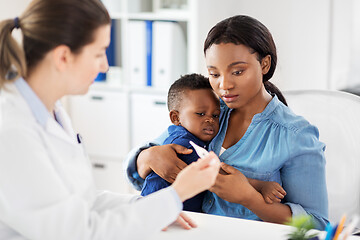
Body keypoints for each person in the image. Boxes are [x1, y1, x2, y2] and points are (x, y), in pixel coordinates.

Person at [0, 0, 221, 239]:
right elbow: (77, 232)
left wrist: (153, 209)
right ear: (63, 57)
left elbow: (83, 201)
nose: (105, 66)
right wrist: (177, 194)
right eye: (99, 53)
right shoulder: (12, 129)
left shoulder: (52, 112)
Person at [125, 15, 329, 230]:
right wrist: (148, 157)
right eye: (214, 73)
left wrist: (250, 198)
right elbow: (137, 171)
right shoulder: (208, 112)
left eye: (238, 72)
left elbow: (317, 224)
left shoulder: (295, 134)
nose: (224, 85)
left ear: (264, 64)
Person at [141, 73, 287, 213]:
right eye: (200, 114)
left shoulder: (198, 139)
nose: (210, 120)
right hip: (158, 213)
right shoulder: (183, 144)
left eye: (215, 115)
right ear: (176, 118)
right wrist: (260, 186)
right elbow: (216, 174)